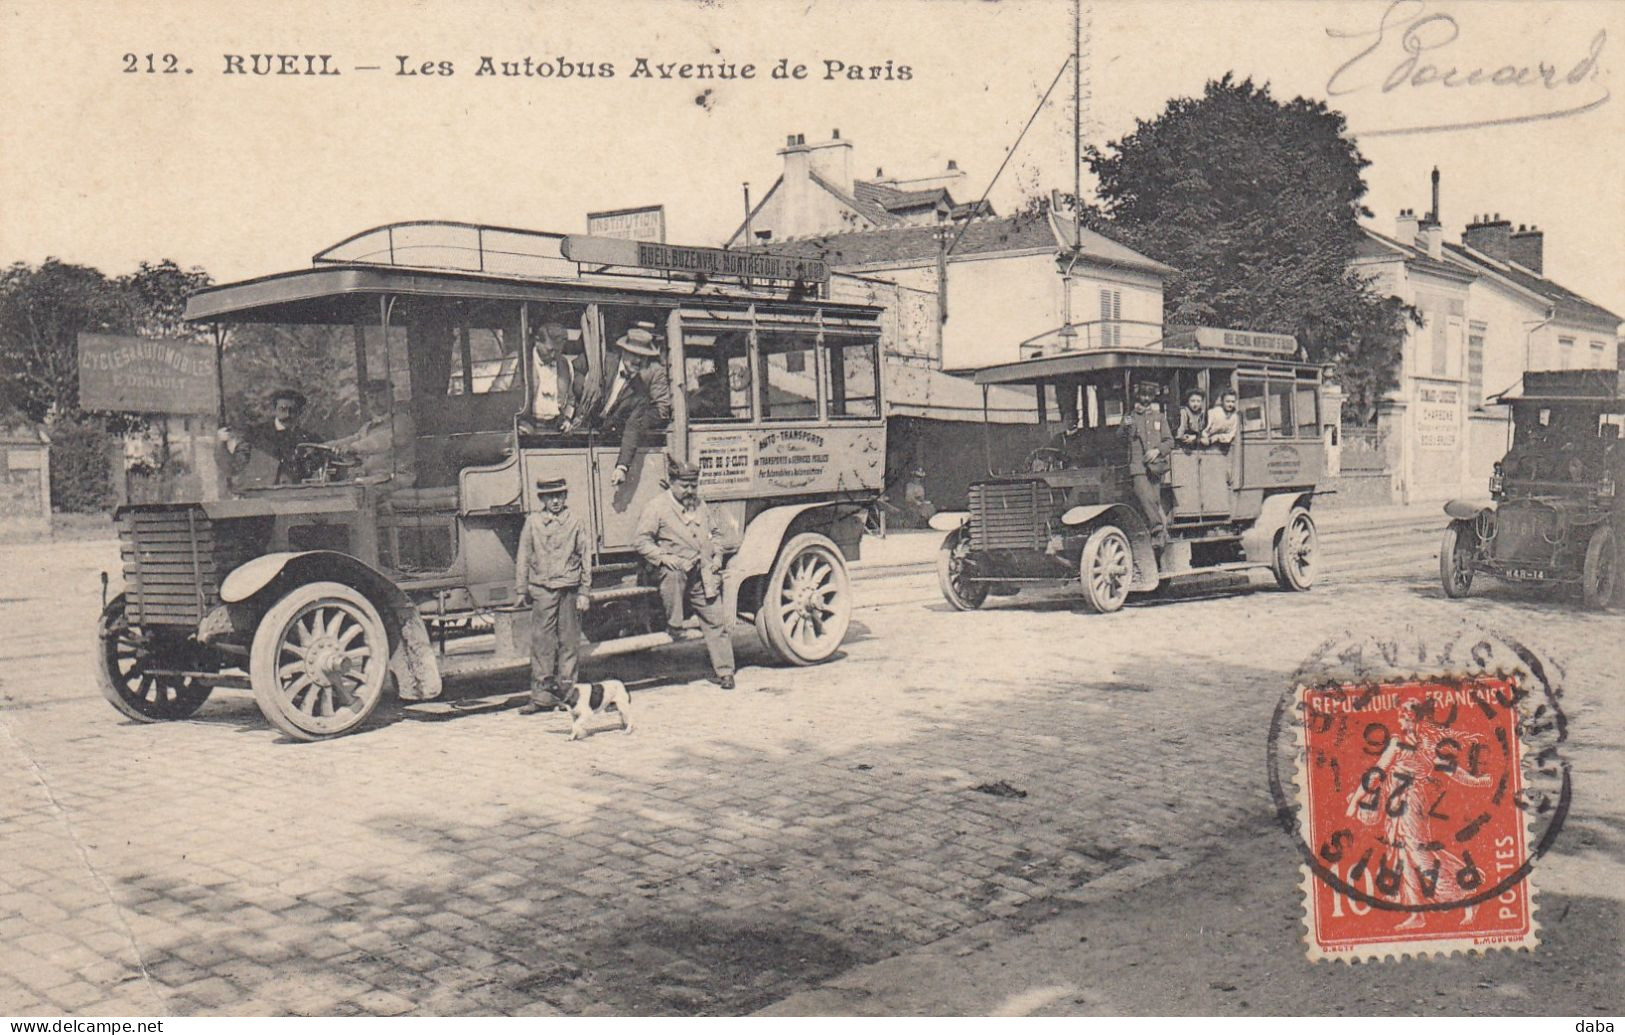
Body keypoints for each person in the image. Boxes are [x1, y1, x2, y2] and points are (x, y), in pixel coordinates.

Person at [632, 460, 735, 689]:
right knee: (674, 573)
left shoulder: (700, 505)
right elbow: (641, 541)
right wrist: (666, 558)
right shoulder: (656, 507)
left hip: (701, 575)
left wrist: (717, 557)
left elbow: (716, 534)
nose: (689, 491)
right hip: (672, 573)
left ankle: (725, 671)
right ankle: (674, 624)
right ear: (671, 483)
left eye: (693, 486)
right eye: (684, 486)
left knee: (715, 619)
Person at [514, 477, 594, 714]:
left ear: (565, 496)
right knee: (542, 644)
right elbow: (524, 555)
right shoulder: (533, 522)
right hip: (542, 589)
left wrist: (584, 592)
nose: (555, 501)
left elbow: (585, 557)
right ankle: (541, 698)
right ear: (542, 499)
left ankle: (567, 697)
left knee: (569, 643)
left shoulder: (576, 521)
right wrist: (521, 589)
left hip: (569, 589)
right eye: (550, 497)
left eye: (559, 495)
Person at [583, 327, 672, 485]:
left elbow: (634, 426)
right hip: (581, 428)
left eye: (643, 357)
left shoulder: (641, 390)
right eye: (634, 354)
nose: (638, 361)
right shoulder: (604, 362)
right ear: (623, 351)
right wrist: (587, 388)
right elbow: (575, 369)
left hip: (607, 437)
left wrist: (622, 466)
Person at [324, 379, 417, 485]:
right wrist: (327, 446)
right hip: (374, 480)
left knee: (353, 495)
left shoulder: (402, 421)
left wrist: (354, 447)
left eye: (381, 397)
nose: (375, 403)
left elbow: (382, 440)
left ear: (391, 398)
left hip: (397, 479)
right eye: (371, 398)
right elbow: (355, 438)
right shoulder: (368, 427)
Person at [218, 387, 307, 483]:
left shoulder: (307, 438)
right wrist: (221, 443)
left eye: (293, 410)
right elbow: (232, 467)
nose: (287, 415)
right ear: (274, 410)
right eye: (283, 409)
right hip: (262, 492)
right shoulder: (254, 435)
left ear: (300, 413)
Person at [1126, 380, 1174, 548]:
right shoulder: (1130, 417)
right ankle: (1158, 529)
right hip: (1137, 466)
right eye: (1142, 395)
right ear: (1137, 396)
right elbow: (1119, 436)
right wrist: (1125, 425)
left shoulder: (1159, 417)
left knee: (1154, 500)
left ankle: (1161, 536)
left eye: (1149, 395)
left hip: (1155, 467)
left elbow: (1169, 441)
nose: (1145, 398)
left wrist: (1157, 451)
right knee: (1143, 494)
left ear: (1153, 397)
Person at [522, 320, 585, 433]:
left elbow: (571, 399)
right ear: (537, 341)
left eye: (558, 351)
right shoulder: (521, 362)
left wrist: (567, 418)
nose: (553, 356)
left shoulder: (565, 364)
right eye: (550, 350)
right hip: (526, 429)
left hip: (555, 429)